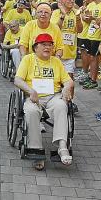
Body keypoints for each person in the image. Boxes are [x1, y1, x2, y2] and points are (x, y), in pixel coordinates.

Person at [14, 33, 74, 170]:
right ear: (35, 47)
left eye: (50, 45)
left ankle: (62, 146)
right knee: (31, 111)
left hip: (53, 96)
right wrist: (30, 91)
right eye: (44, 45)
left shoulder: (56, 61)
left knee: (61, 106)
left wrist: (66, 88)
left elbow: (68, 80)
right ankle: (36, 149)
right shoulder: (28, 59)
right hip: (33, 96)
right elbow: (17, 80)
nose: (47, 47)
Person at [82, 0, 101, 90]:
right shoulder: (90, 5)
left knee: (95, 58)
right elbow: (86, 19)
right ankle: (91, 77)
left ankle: (94, 79)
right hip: (89, 35)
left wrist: (93, 18)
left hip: (98, 36)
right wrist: (85, 17)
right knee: (91, 57)